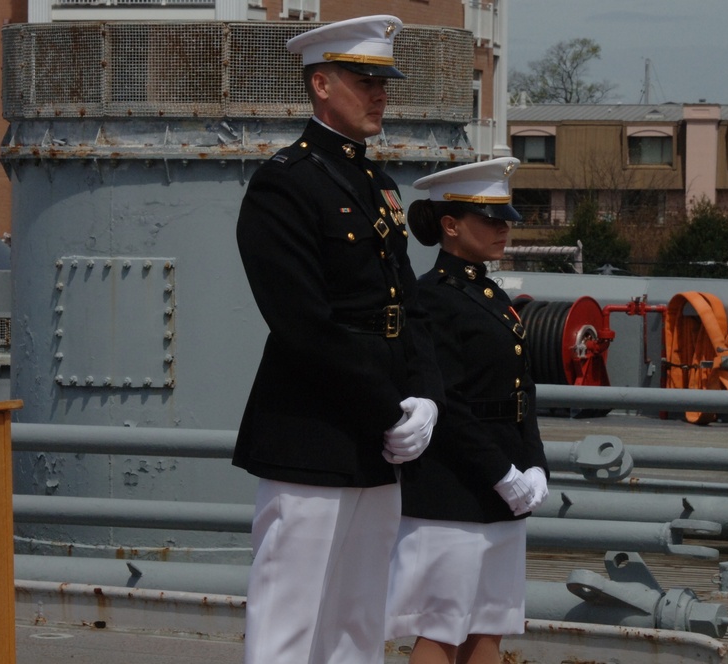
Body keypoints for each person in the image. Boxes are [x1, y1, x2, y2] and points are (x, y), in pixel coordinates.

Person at [232, 15, 443, 664]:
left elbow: (406, 305)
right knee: (289, 626)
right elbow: (303, 324)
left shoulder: (376, 184)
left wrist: (427, 395)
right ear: (321, 84)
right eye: (364, 80)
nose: (380, 94)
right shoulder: (285, 182)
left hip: (378, 442)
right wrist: (388, 409)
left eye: (384, 82)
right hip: (313, 431)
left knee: (358, 622)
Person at [386, 157, 550, 664]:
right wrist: (502, 473)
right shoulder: (433, 297)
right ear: (451, 226)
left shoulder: (489, 294)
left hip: (501, 483)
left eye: (505, 220)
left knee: (488, 626)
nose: (503, 229)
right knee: (440, 627)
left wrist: (536, 464)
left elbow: (521, 390)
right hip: (452, 487)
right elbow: (447, 401)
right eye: (490, 220)